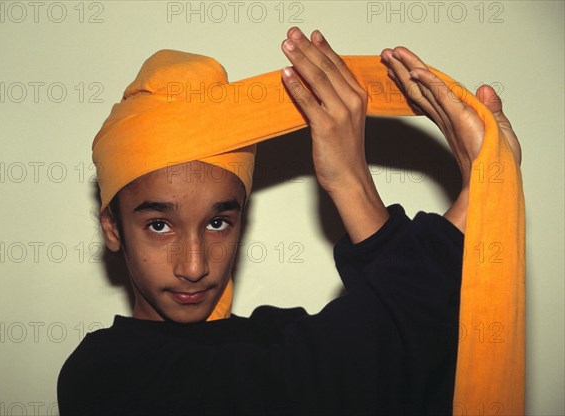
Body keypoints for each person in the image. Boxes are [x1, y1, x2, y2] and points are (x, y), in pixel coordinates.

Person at [58, 27, 521, 415]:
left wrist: (475, 190)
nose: (195, 265)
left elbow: (416, 360)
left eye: (219, 223)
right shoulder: (103, 378)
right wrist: (356, 181)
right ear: (113, 229)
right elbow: (360, 361)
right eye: (159, 225)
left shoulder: (274, 336)